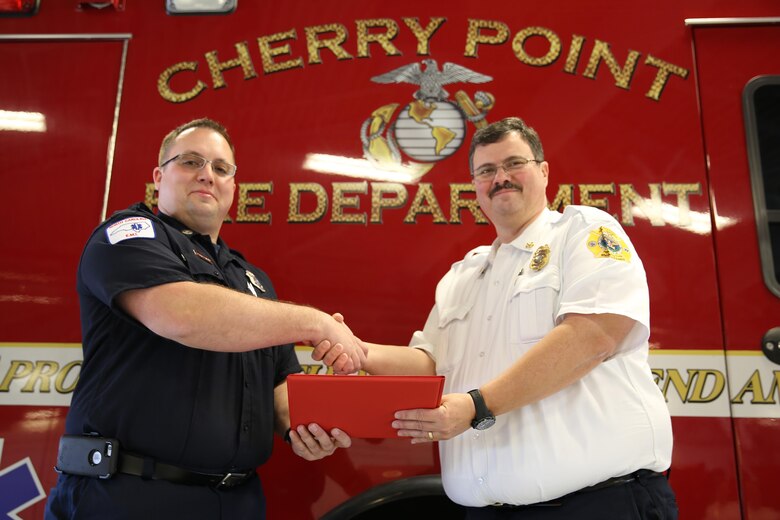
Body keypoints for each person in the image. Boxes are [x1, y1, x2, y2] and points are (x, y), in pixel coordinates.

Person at [319, 117, 678, 518]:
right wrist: (359, 351)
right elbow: (432, 363)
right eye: (487, 171)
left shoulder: (582, 233)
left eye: (514, 164)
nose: (501, 178)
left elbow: (592, 338)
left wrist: (477, 406)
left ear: (543, 172)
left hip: (595, 504)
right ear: (476, 187)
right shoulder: (463, 275)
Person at [45, 118, 362, 519]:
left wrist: (303, 429)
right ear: (159, 176)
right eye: (192, 161)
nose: (207, 175)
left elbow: (277, 387)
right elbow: (181, 314)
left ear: (233, 187)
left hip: (235, 501)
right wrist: (317, 323)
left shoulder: (253, 281)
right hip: (131, 496)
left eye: (220, 168)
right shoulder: (129, 236)